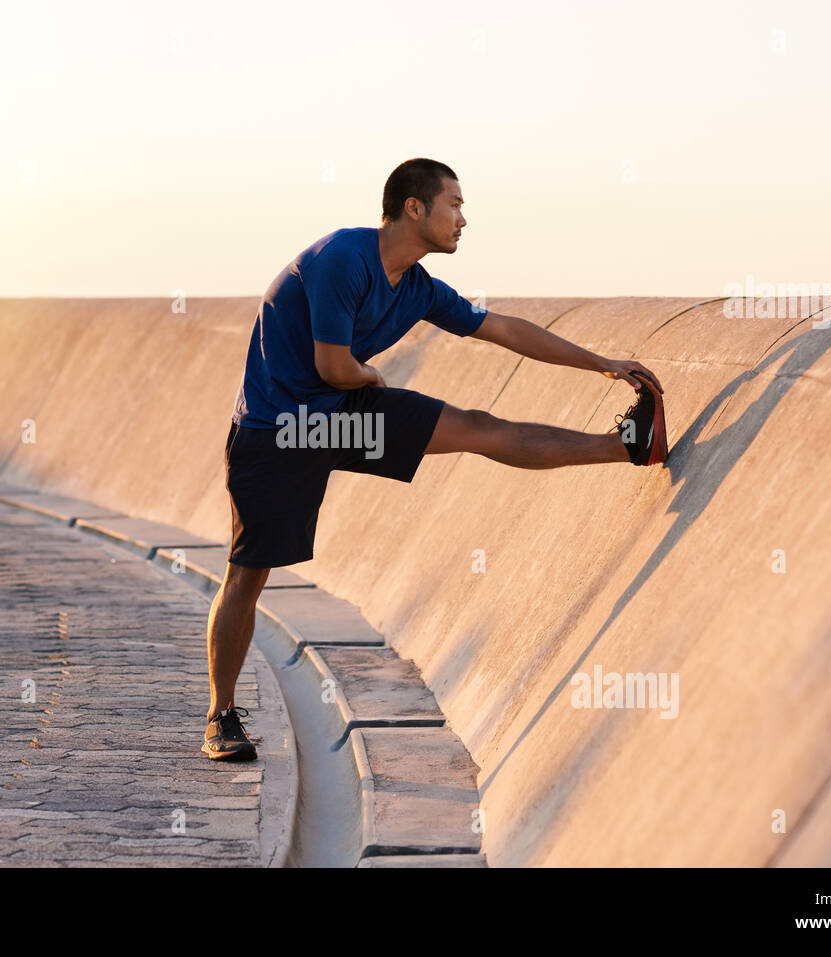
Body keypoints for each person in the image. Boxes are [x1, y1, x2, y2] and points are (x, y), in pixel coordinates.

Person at [202, 158, 667, 760]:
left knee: (478, 428)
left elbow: (501, 328)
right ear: (414, 208)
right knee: (249, 573)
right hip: (278, 429)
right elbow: (334, 367)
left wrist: (600, 362)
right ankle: (221, 715)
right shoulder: (345, 258)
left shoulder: (418, 287)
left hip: (342, 413)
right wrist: (369, 374)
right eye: (454, 204)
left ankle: (625, 445)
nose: (463, 219)